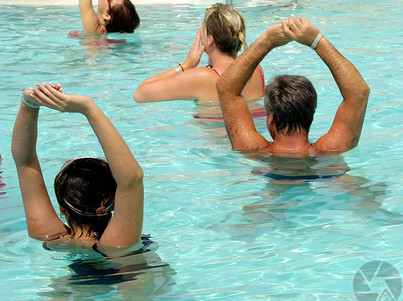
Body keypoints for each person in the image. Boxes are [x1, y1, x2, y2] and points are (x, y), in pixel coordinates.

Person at [12, 84, 144, 254]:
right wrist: (88, 107)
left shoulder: (50, 236)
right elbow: (132, 179)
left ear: (62, 209)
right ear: (114, 204)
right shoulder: (117, 244)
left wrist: (28, 103)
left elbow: (26, 163)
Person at [217, 17, 370, 155]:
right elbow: (359, 93)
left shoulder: (253, 151)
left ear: (271, 120)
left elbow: (226, 89)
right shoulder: (330, 151)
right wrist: (316, 40)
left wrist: (267, 41)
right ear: (311, 117)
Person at [133, 3, 264, 107]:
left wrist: (185, 65)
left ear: (210, 40)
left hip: (213, 140)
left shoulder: (202, 77)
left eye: (203, 31)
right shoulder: (257, 70)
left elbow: (140, 94)